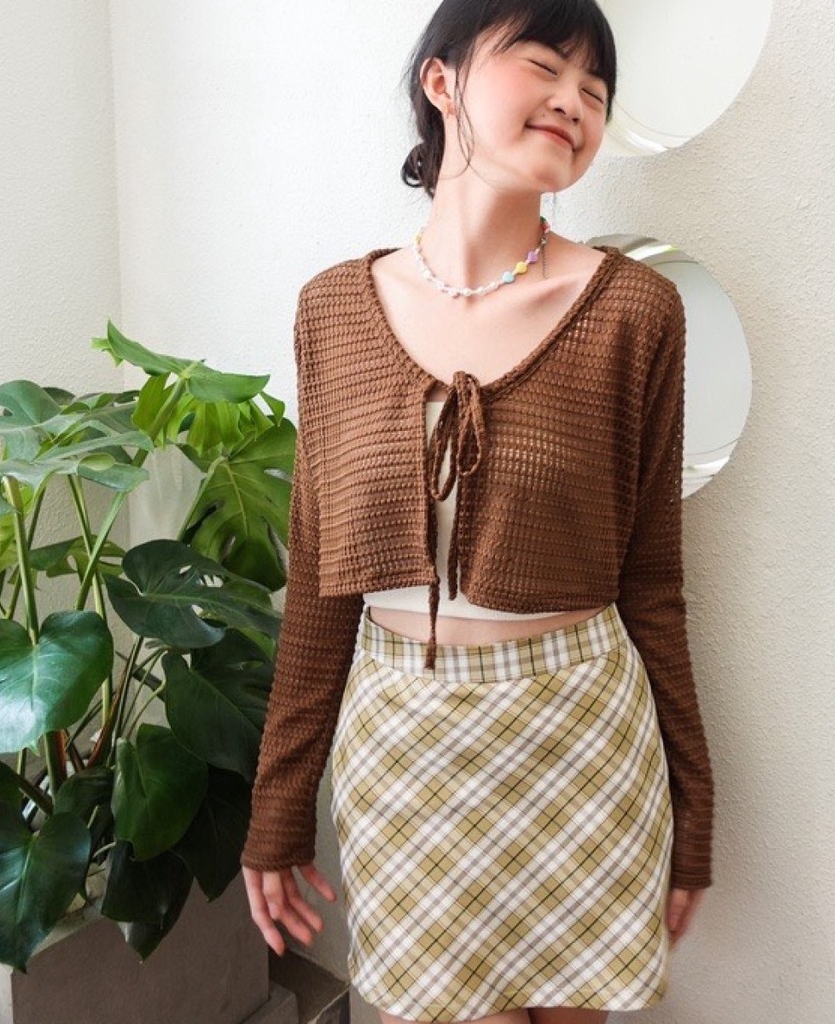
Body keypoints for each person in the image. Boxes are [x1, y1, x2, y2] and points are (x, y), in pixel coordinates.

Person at [240, 2, 715, 1022]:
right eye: (543, 64)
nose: (573, 102)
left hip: (583, 737)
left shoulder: (635, 312)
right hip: (404, 751)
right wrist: (278, 809)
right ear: (441, 80)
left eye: (596, 90)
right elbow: (319, 579)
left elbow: (654, 583)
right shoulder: (334, 309)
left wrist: (695, 807)